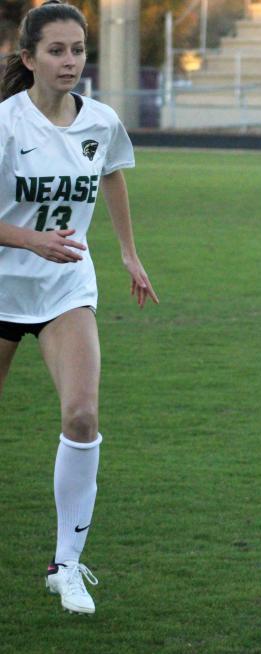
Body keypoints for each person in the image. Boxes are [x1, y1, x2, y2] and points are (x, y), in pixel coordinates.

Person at [0, 0, 158, 615]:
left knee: (83, 417)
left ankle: (66, 565)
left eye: (78, 50)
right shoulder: (7, 124)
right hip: (4, 285)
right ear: (28, 57)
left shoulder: (101, 122)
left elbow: (112, 173)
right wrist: (32, 238)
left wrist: (126, 253)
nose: (70, 62)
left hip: (67, 289)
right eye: (57, 51)